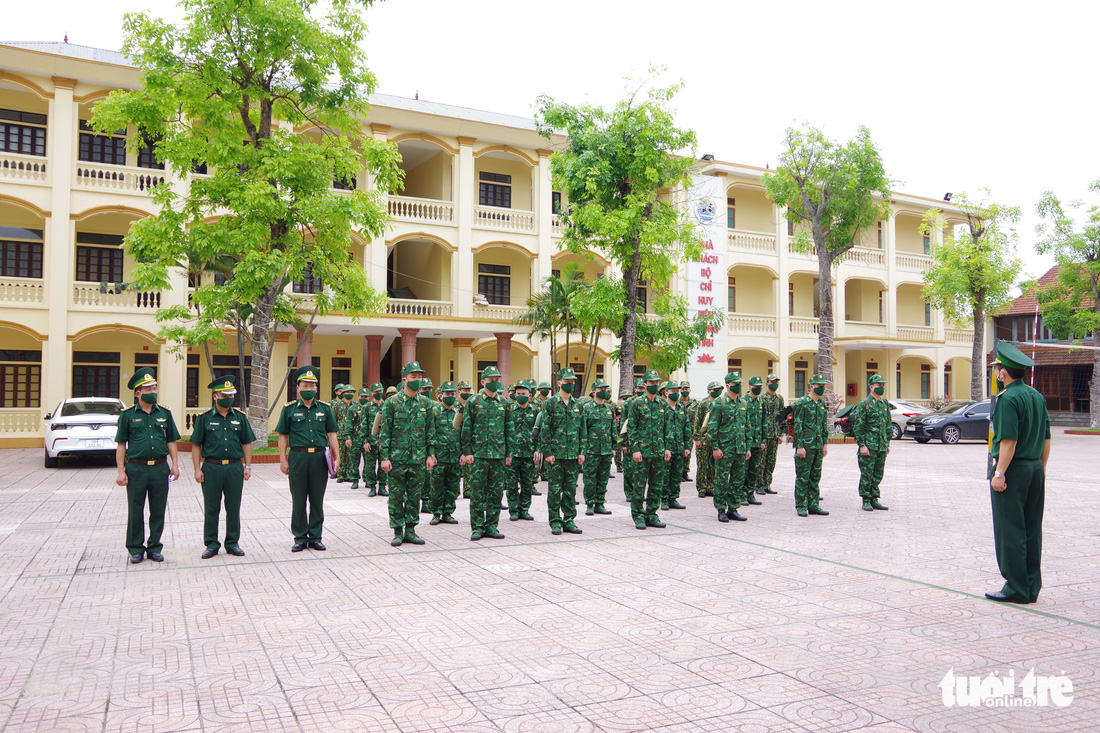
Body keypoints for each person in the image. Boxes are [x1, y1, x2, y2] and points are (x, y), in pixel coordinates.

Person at [986, 342, 1051, 605]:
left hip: (1014, 469)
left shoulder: (1008, 398)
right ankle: (1031, 585)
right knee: (1031, 529)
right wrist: (1041, 470)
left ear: (1003, 373)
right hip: (1035, 467)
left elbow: (1008, 442)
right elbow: (1047, 439)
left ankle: (1016, 587)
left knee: (1010, 528)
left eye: (998, 369)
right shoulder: (1037, 396)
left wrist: (999, 472)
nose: (997, 373)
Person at [115, 367, 181, 564]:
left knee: (158, 509)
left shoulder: (165, 413)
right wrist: (120, 471)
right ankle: (135, 548)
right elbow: (121, 445)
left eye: (154, 389)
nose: (153, 392)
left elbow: (171, 441)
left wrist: (175, 465)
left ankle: (154, 547)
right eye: (148, 390)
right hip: (136, 468)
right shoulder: (127, 415)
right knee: (136, 509)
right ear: (138, 393)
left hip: (160, 467)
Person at [190, 375, 256, 558]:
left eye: (231, 395)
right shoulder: (203, 418)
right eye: (224, 395)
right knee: (212, 507)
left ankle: (232, 542)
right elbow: (196, 445)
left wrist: (248, 466)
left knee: (233, 507)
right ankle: (211, 543)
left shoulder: (240, 418)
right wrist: (197, 469)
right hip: (211, 467)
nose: (228, 398)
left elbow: (247, 443)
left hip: (234, 467)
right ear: (215, 396)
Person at [276, 366, 340, 551]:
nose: (309, 389)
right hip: (298, 456)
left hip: (319, 458)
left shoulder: (325, 409)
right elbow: (282, 436)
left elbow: (332, 434)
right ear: (298, 388)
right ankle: (300, 537)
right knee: (298, 498)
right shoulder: (288, 409)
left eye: (312, 386)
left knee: (317, 499)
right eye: (305, 386)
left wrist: (337, 457)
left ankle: (315, 536)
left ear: (316, 388)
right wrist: (283, 459)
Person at [379, 361, 437, 547]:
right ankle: (397, 531)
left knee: (414, 496)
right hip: (397, 459)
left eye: (419, 377)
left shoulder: (426, 403)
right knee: (396, 496)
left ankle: (410, 530)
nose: (417, 380)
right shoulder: (392, 402)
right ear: (404, 379)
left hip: (418, 458)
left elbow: (430, 431)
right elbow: (385, 432)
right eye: (413, 377)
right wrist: (385, 457)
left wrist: (430, 454)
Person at [460, 365, 513, 541]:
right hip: (479, 454)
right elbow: (466, 428)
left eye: (497, 380)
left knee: (496, 492)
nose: (494, 383)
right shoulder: (473, 402)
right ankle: (477, 527)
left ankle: (491, 526)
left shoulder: (504, 403)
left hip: (498, 455)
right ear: (483, 382)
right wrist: (467, 452)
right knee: (477, 493)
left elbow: (509, 429)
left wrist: (509, 453)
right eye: (491, 380)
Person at [536, 367, 586, 535]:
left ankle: (569, 520)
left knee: (571, 489)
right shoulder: (550, 403)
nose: (571, 384)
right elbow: (545, 430)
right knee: (555, 490)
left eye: (573, 381)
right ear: (559, 383)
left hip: (572, 454)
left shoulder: (578, 404)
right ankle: (555, 521)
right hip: (555, 456)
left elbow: (583, 430)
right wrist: (548, 453)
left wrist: (582, 451)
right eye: (567, 382)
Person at [623, 369, 670, 530]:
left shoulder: (663, 403)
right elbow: (632, 427)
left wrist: (667, 448)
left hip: (658, 452)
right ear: (644, 384)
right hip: (641, 453)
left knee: (656, 486)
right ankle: (638, 515)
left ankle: (652, 514)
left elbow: (666, 428)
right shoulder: (636, 403)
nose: (655, 385)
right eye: (651, 383)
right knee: (639, 486)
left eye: (657, 382)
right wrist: (635, 449)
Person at [706, 372, 750, 523]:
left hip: (740, 449)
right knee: (722, 480)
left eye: (739, 384)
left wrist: (747, 447)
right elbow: (712, 428)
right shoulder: (719, 403)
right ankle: (720, 509)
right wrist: (715, 448)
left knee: (738, 480)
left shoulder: (743, 403)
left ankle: (733, 508)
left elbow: (747, 427)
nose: (738, 386)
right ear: (727, 385)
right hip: (724, 449)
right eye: (735, 384)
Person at [851, 374, 891, 512]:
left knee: (878, 473)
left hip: (881, 445)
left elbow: (888, 425)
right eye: (879, 385)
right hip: (869, 445)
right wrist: (862, 445)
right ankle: (866, 499)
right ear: (871, 387)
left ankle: (875, 498)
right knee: (867, 473)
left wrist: (887, 443)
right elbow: (858, 426)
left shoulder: (884, 403)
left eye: (882, 385)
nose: (881, 387)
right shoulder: (864, 404)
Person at [792, 373, 830, 518]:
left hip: (818, 446)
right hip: (805, 446)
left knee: (815, 477)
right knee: (803, 477)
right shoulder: (802, 402)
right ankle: (801, 505)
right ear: (811, 387)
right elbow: (798, 426)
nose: (821, 388)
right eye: (819, 386)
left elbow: (823, 425)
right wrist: (800, 446)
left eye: (823, 386)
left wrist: (825, 443)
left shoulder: (820, 403)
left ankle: (813, 504)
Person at [428, 381, 461, 526]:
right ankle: (436, 513)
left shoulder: (459, 412)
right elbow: (430, 433)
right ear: (441, 395)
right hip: (439, 456)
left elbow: (463, 434)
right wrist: (431, 453)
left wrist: (463, 453)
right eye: (447, 394)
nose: (450, 396)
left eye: (452, 394)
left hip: (454, 456)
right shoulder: (434, 411)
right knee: (436, 486)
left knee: (452, 486)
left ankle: (448, 513)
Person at [582, 378, 615, 516]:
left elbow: (613, 429)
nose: (604, 392)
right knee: (590, 478)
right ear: (594, 391)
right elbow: (583, 430)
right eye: (601, 390)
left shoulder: (609, 408)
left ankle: (600, 503)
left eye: (605, 389)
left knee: (603, 478)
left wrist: (613, 447)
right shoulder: (587, 408)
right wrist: (583, 449)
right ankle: (590, 504)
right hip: (591, 450)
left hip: (606, 450)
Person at [508, 379, 539, 521]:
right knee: (512, 484)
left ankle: (524, 509)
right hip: (512, 453)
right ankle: (513, 510)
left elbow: (540, 432)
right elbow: (504, 431)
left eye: (523, 393)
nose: (520, 395)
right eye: (518, 393)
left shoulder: (536, 411)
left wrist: (538, 449)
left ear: (530, 395)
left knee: (527, 484)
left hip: (529, 453)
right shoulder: (509, 410)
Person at [660, 381, 691, 511]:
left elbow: (686, 428)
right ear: (666, 393)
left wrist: (687, 446)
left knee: (677, 474)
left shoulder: (681, 408)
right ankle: (664, 499)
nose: (676, 393)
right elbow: (658, 429)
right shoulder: (661, 408)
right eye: (673, 391)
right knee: (665, 474)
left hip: (679, 447)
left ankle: (673, 498)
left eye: (677, 391)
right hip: (666, 448)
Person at [756, 373, 785, 495]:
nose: (775, 384)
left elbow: (782, 417)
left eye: (776, 382)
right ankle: (759, 485)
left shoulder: (779, 399)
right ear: (767, 383)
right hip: (764, 434)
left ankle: (767, 483)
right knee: (761, 461)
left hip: (774, 433)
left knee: (771, 460)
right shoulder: (762, 398)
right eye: (772, 382)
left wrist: (780, 433)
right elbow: (759, 417)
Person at [356, 383, 386, 496]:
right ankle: (372, 486)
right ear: (372, 393)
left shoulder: (387, 405)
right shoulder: (367, 407)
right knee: (370, 465)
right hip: (371, 440)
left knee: (383, 464)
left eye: (380, 391)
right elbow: (363, 425)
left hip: (384, 441)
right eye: (376, 392)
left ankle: (382, 487)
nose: (378, 393)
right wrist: (365, 441)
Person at [694, 381, 721, 499]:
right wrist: (697, 438)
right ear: (709, 391)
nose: (717, 392)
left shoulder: (720, 403)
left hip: (715, 440)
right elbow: (697, 422)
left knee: (712, 465)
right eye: (714, 390)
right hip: (704, 439)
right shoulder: (703, 404)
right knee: (702, 464)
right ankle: (701, 487)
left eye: (719, 389)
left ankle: (710, 487)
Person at [740, 377, 765, 506]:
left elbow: (763, 421)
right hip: (746, 442)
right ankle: (741, 495)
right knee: (743, 470)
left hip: (757, 441)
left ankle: (750, 494)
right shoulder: (743, 401)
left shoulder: (760, 401)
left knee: (754, 469)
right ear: (750, 386)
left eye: (760, 386)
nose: (758, 388)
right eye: (756, 386)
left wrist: (763, 440)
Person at [338, 386, 364, 487]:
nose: (349, 394)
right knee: (341, 454)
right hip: (340, 432)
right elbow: (334, 418)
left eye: (351, 392)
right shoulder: (338, 404)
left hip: (353, 434)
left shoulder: (356, 405)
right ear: (343, 393)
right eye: (347, 392)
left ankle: (349, 474)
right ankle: (340, 474)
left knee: (350, 455)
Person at [456, 380, 474, 498]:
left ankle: (468, 490)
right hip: (456, 439)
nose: (467, 392)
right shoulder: (455, 405)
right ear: (459, 391)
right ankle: (456, 491)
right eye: (464, 390)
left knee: (469, 467)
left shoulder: (472, 404)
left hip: (468, 439)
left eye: (468, 390)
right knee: (456, 467)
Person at [332, 383, 349, 481]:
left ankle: (348, 473)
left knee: (348, 455)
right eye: (339, 391)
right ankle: (337, 472)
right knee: (338, 453)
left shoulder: (353, 404)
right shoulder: (333, 404)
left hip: (348, 434)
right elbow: (333, 419)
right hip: (338, 433)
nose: (341, 393)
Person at [679, 380, 696, 482]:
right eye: (683, 389)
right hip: (680, 432)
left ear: (690, 390)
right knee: (680, 453)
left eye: (686, 389)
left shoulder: (694, 403)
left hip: (691, 432)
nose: (685, 391)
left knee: (688, 452)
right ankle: (679, 473)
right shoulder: (677, 403)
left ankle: (685, 472)